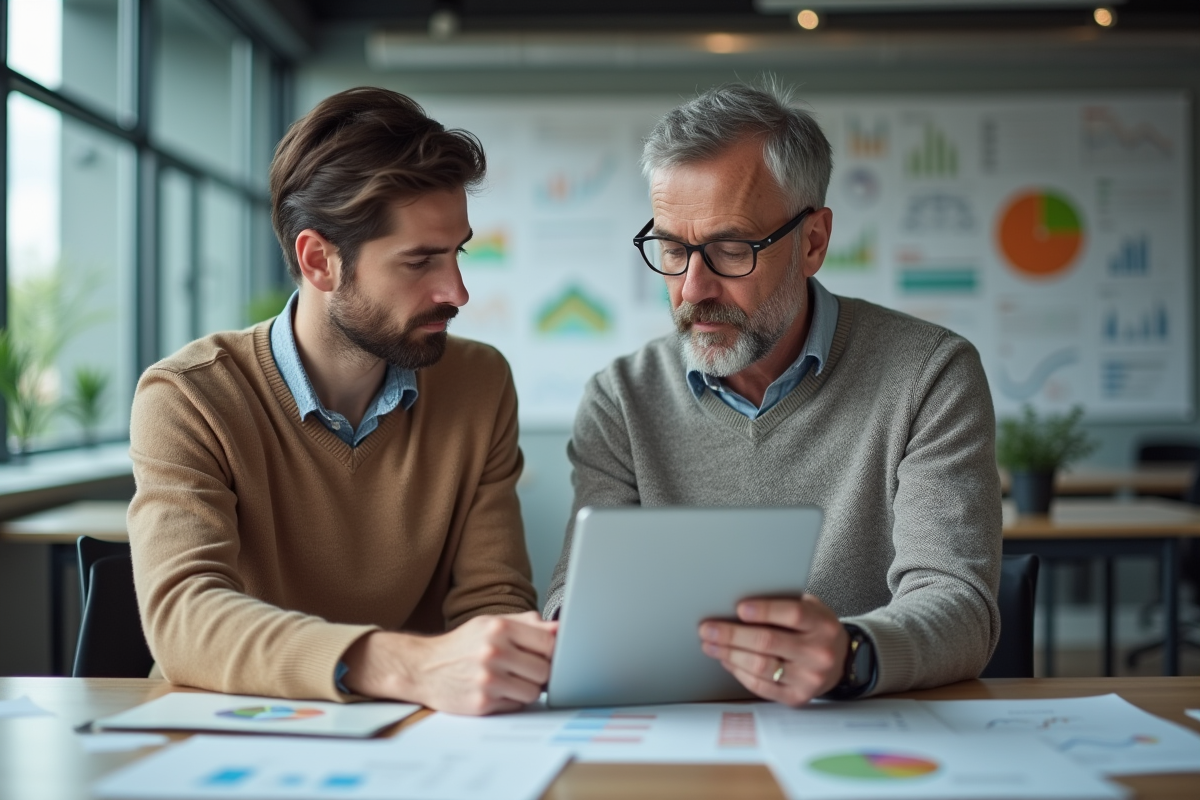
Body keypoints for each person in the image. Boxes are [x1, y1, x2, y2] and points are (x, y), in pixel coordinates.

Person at [543, 81, 1002, 705]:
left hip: (863, 730)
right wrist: (571, 629)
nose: (692, 288)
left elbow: (959, 604)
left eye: (730, 250)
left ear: (812, 242)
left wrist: (848, 653)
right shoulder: (621, 398)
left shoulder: (930, 375)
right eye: (673, 250)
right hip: (675, 730)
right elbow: (577, 596)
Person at [128, 87, 556, 715]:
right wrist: (404, 664)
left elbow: (491, 599)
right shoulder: (190, 397)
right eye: (420, 262)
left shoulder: (478, 384)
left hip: (419, 732)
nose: (457, 291)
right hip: (227, 725)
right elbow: (184, 616)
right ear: (319, 260)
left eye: (458, 253)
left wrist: (496, 663)